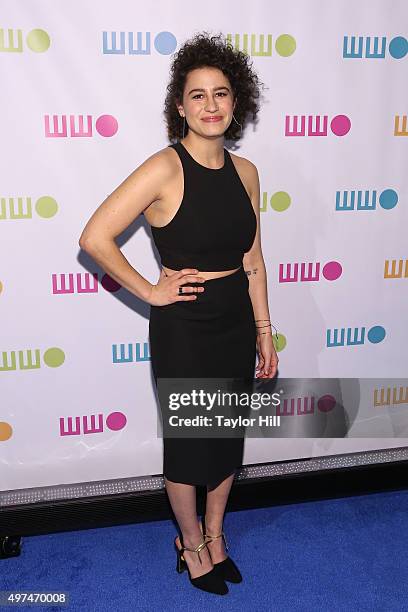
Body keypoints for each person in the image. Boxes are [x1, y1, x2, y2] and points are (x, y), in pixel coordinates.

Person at [79, 32, 279, 596]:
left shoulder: (247, 173)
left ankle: (216, 535)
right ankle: (188, 543)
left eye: (221, 93)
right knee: (191, 441)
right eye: (198, 95)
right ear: (179, 105)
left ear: (236, 102)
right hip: (185, 327)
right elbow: (95, 236)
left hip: (236, 319)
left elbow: (254, 259)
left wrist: (265, 330)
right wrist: (149, 290)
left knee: (226, 437)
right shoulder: (164, 168)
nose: (211, 105)